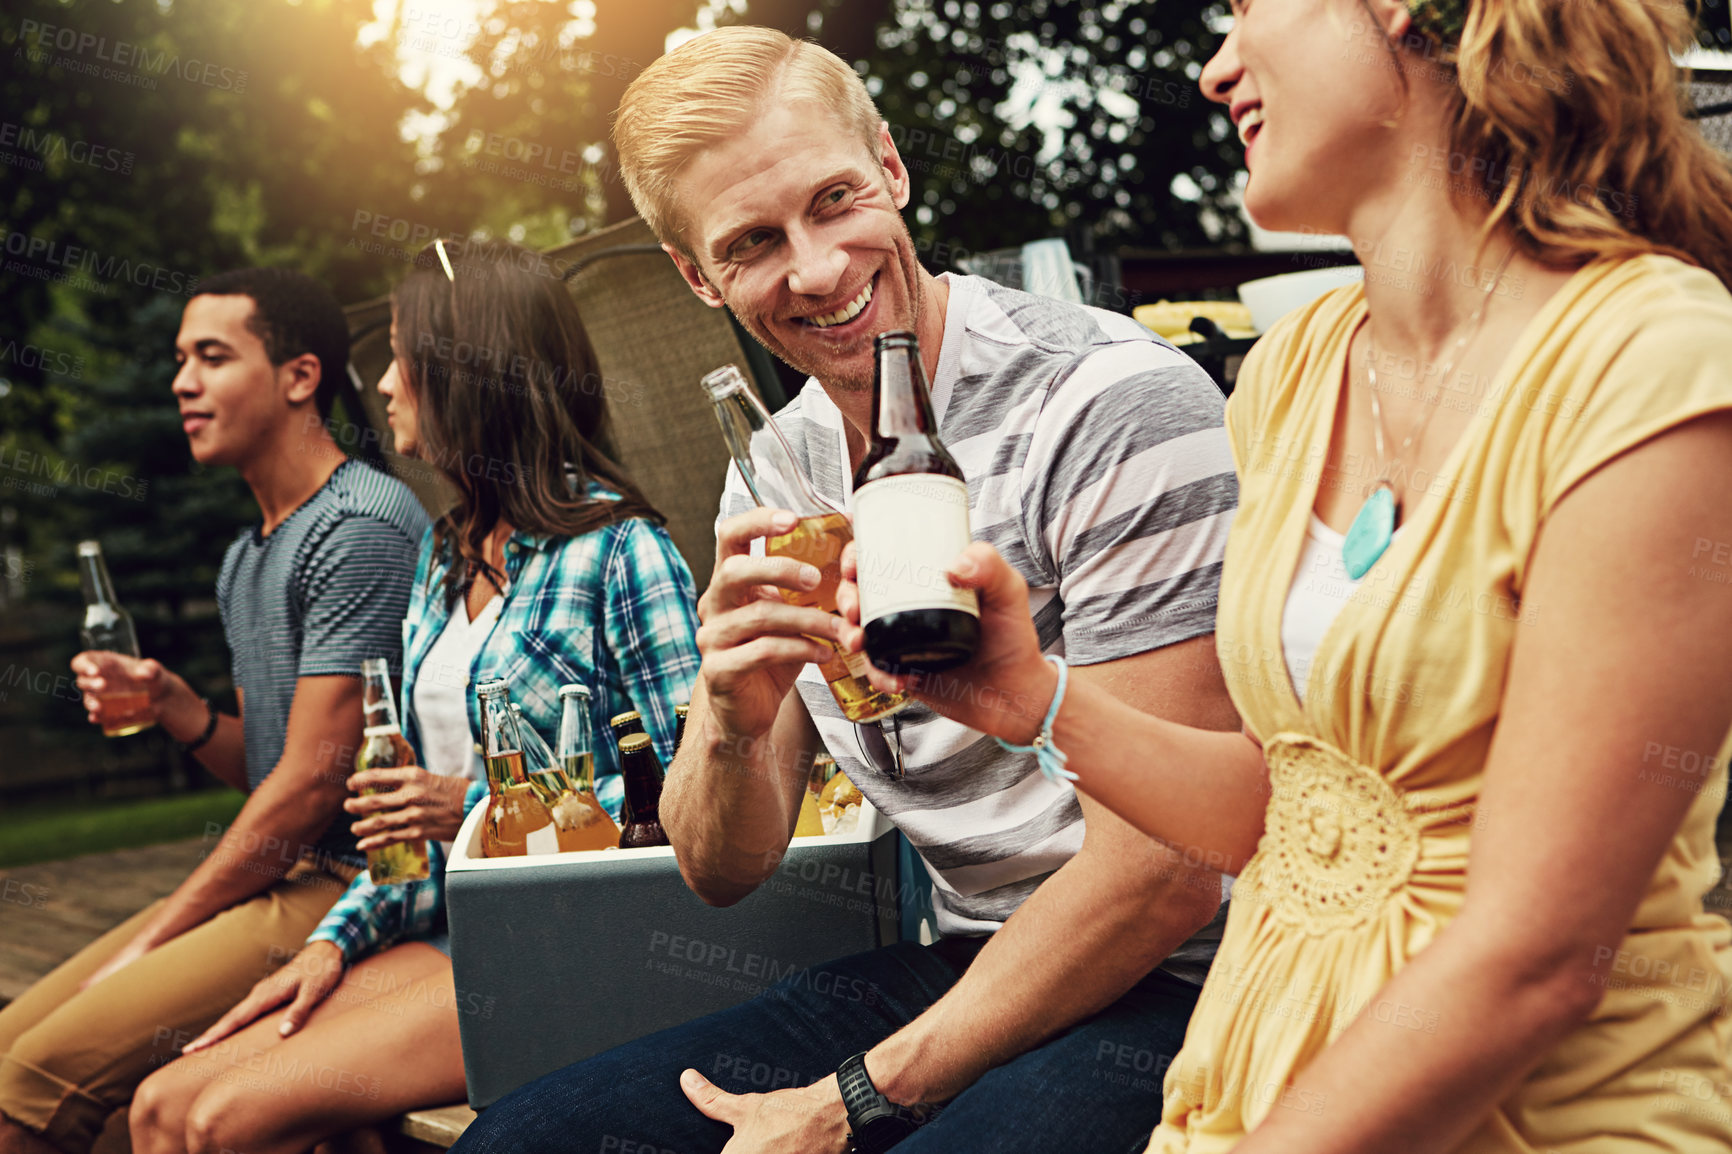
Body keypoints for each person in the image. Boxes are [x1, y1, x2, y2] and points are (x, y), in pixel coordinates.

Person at [831, 1, 1732, 1151]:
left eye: (1248, 8)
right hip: (1249, 1082)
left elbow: (1537, 956)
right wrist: (1031, 699)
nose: (1213, 70)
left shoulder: (1648, 362)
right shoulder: (1296, 374)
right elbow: (1289, 803)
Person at [454, 26, 1244, 1154]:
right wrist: (729, 721)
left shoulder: (1109, 402)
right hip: (970, 955)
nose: (816, 268)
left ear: (891, 166)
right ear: (698, 276)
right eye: (753, 242)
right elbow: (721, 868)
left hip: (1184, 977)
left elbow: (1167, 873)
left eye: (834, 199)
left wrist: (852, 1099)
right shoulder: (772, 476)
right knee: (519, 1145)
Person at [125, 237, 704, 1154]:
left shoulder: (621, 552)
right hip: (437, 930)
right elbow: (403, 834)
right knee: (158, 1108)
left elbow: (687, 790)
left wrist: (473, 807)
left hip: (571, 949)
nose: (384, 383)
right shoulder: (444, 561)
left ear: (471, 372)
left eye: (402, 356)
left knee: (225, 1121)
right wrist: (334, 942)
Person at [0, 270, 427, 1154]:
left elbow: (313, 792)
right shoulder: (249, 554)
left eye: (211, 356)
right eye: (179, 359)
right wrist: (179, 711)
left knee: (26, 1086)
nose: (181, 382)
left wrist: (160, 932)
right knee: (8, 1048)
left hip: (354, 885)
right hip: (284, 873)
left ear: (299, 377)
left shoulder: (358, 528)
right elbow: (275, 769)